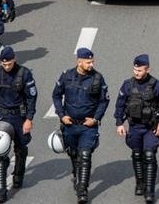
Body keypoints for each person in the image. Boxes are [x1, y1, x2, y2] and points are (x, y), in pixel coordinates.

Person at [52, 47, 110, 204]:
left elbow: (104, 101)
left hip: (88, 126)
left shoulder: (98, 78)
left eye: (92, 61)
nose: (91, 64)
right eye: (88, 62)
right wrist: (61, 115)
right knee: (74, 155)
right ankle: (77, 175)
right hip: (70, 126)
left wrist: (96, 119)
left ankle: (82, 191)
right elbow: (56, 95)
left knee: (85, 155)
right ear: (79, 61)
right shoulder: (66, 76)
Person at [114, 54, 159, 204]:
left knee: (149, 155)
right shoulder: (127, 85)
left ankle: (150, 191)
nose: (136, 73)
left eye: (139, 70)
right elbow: (120, 104)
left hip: (150, 128)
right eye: (135, 70)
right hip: (134, 127)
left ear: (147, 69)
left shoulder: (157, 85)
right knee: (137, 154)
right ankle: (140, 182)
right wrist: (119, 123)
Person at [0, 47, 37, 203]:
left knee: (20, 148)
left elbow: (31, 98)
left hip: (19, 117)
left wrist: (29, 118)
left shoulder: (25, 74)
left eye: (9, 63)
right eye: (4, 64)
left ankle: (18, 175)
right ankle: (1, 189)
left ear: (14, 59)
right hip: (1, 115)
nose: (7, 67)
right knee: (0, 151)